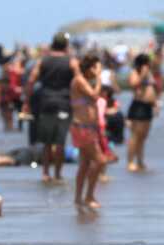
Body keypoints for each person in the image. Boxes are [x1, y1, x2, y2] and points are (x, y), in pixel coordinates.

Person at [23, 32, 78, 183]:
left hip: (46, 102)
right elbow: (78, 80)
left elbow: (31, 80)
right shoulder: (71, 62)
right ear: (66, 45)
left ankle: (45, 173)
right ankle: (58, 174)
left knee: (47, 141)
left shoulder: (43, 60)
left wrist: (26, 101)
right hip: (64, 103)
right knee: (60, 141)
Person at [70, 54, 104, 208]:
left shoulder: (84, 81)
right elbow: (95, 95)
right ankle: (89, 196)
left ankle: (79, 198)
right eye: (95, 68)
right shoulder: (79, 80)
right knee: (100, 161)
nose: (96, 72)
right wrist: (99, 77)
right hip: (82, 128)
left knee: (84, 164)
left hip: (88, 127)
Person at [126, 53, 157, 172]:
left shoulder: (149, 73)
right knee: (135, 136)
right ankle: (130, 162)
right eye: (147, 63)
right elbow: (133, 85)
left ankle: (140, 161)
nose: (149, 65)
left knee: (143, 137)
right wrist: (143, 75)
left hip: (148, 106)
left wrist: (155, 104)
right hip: (138, 106)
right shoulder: (135, 73)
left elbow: (151, 88)